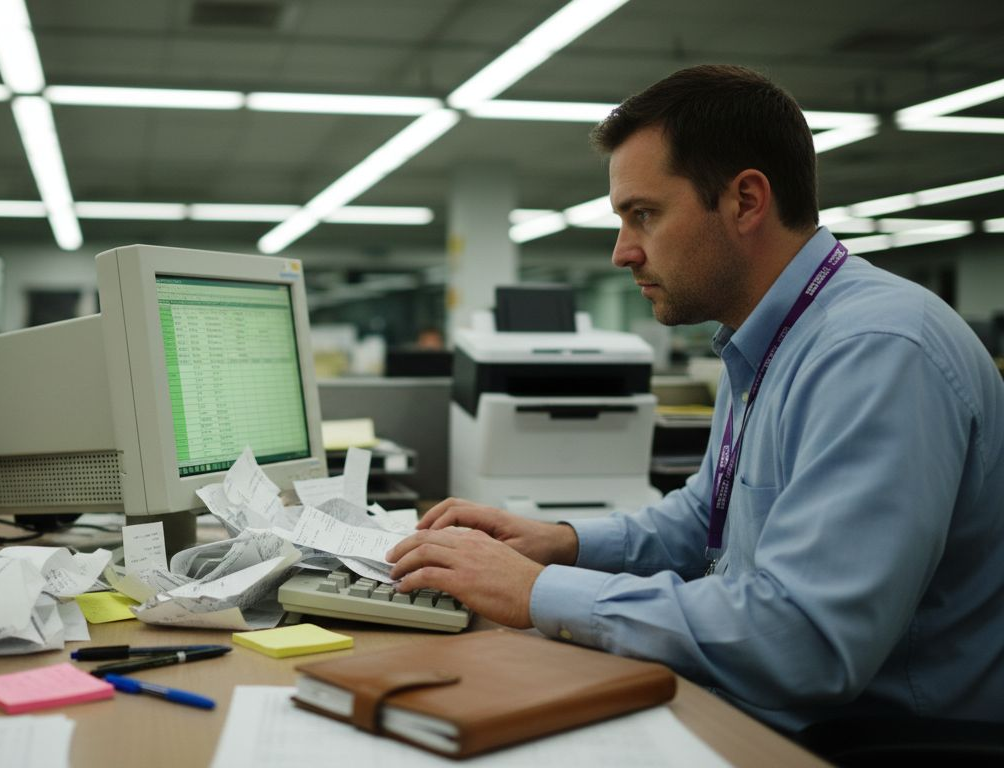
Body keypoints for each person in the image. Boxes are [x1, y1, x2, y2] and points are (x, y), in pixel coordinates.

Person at [387, 64, 1004, 732]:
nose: (623, 252)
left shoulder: (876, 352)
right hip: (788, 712)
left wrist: (535, 592)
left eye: (644, 215)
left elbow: (807, 641)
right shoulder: (769, 337)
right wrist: (558, 544)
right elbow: (703, 526)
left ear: (745, 201)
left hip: (879, 739)